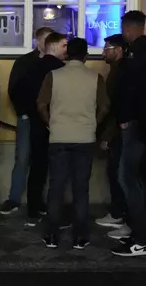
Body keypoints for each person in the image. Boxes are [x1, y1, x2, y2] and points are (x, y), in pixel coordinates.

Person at [37, 38, 109, 250]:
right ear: (86, 55)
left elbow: (41, 104)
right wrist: (93, 123)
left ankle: (51, 235)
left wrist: (51, 122)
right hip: (85, 138)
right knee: (81, 189)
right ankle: (80, 237)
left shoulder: (53, 76)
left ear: (66, 54)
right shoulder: (96, 78)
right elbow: (105, 107)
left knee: (56, 188)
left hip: (58, 137)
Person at [11, 32, 67, 227]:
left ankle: (34, 209)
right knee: (58, 169)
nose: (66, 50)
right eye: (63, 46)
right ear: (55, 47)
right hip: (59, 125)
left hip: (36, 124)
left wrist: (29, 113)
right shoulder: (62, 69)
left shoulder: (32, 67)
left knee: (37, 167)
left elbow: (17, 91)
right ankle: (52, 210)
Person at [0, 27, 54, 215]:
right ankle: (14, 199)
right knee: (22, 158)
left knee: (44, 161)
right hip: (28, 118)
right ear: (37, 41)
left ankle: (39, 200)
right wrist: (22, 112)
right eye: (46, 40)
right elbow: (14, 90)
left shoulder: (54, 64)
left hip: (49, 120)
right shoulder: (24, 62)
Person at [111, 10, 146, 257]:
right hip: (141, 124)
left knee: (127, 178)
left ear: (128, 29)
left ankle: (141, 238)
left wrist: (124, 118)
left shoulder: (136, 53)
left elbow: (131, 89)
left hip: (136, 126)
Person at [96, 34, 127, 230]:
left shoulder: (119, 73)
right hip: (118, 131)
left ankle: (119, 213)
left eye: (106, 48)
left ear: (118, 50)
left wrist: (107, 136)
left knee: (118, 173)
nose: (102, 52)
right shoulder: (117, 71)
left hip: (118, 133)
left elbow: (115, 108)